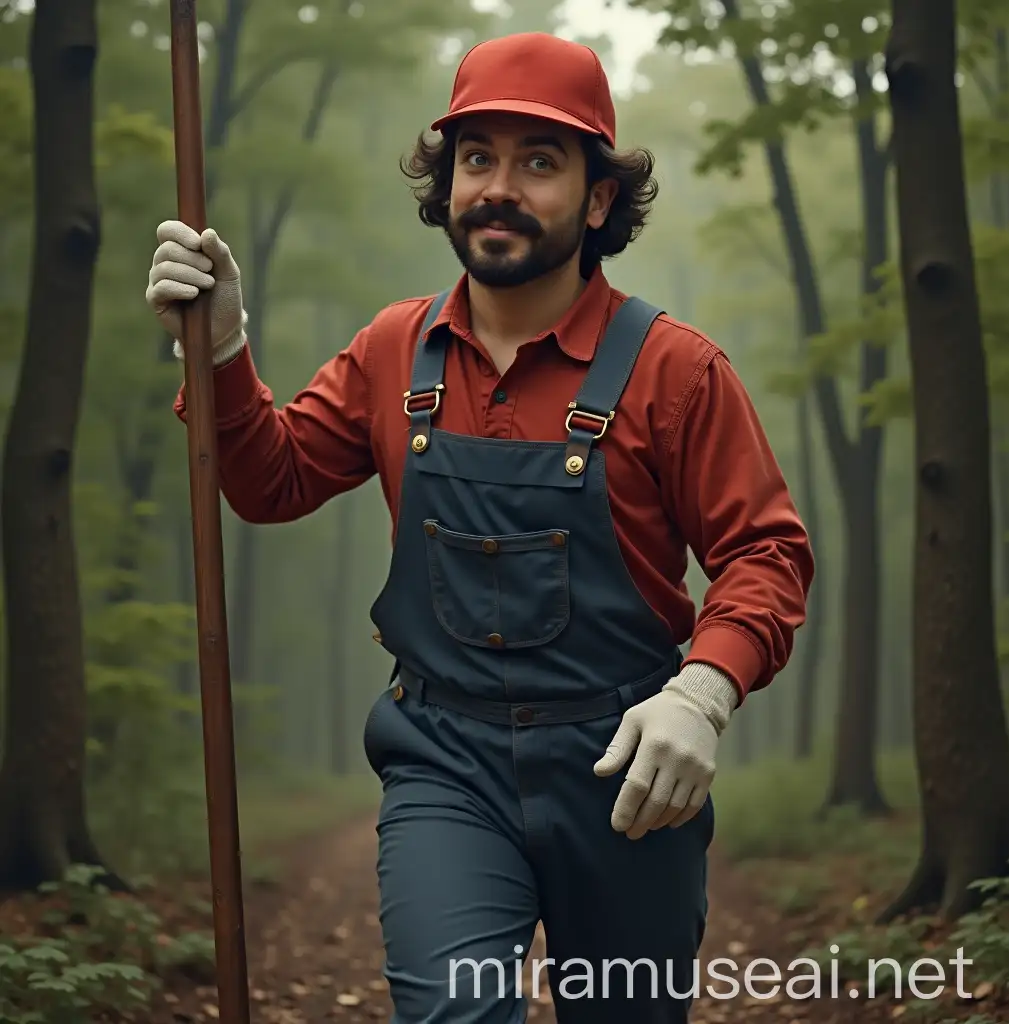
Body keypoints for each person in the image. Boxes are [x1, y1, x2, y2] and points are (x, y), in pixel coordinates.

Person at [145, 31, 813, 1024]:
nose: (499, 187)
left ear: (596, 199)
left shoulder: (677, 371)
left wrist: (701, 694)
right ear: (446, 181)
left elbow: (766, 552)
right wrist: (225, 349)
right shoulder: (390, 349)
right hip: (442, 761)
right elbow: (270, 480)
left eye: (539, 162)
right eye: (477, 158)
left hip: (627, 769)